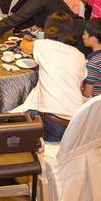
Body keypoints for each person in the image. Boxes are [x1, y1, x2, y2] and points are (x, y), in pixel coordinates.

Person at [17, 12, 88, 141]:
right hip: (76, 124)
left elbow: (24, 47)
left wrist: (26, 39)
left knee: (13, 116)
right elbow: (80, 85)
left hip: (52, 125)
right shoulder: (80, 55)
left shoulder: (43, 45)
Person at [81, 18, 101, 98]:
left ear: (93, 39)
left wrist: (78, 90)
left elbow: (87, 94)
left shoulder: (92, 63)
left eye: (85, 34)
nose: (83, 36)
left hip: (94, 100)